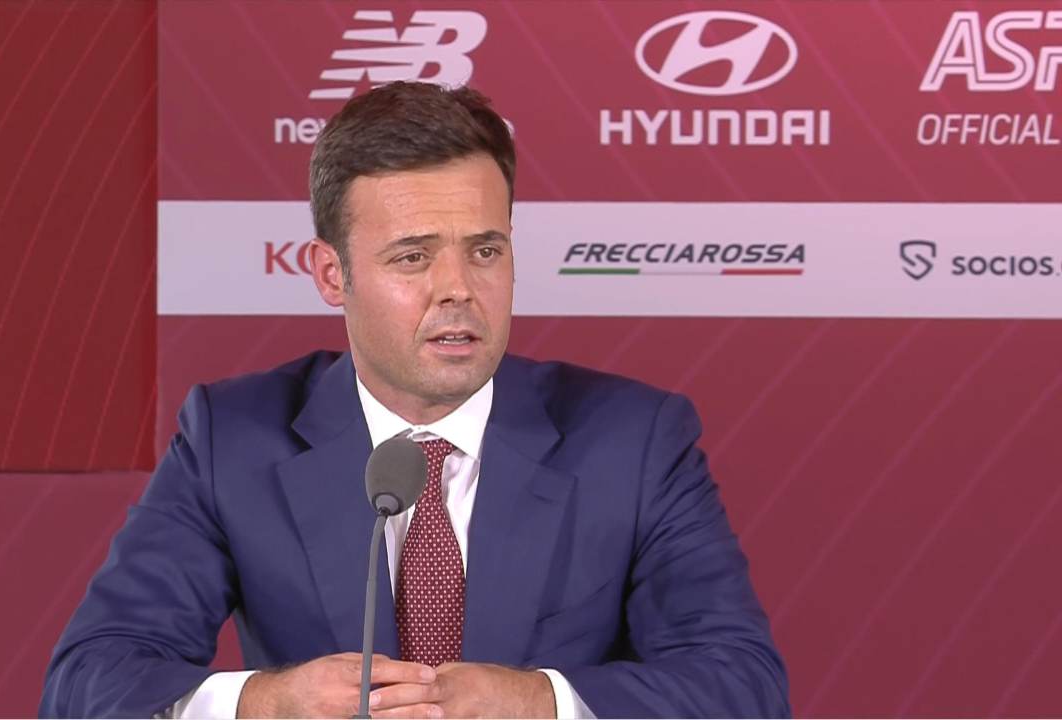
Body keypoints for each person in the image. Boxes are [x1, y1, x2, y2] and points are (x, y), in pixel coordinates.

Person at [40, 81, 790, 719]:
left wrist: (539, 701)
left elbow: (743, 686)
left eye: (485, 250)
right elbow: (87, 681)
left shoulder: (633, 439)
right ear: (331, 275)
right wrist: (264, 703)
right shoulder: (232, 438)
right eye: (413, 256)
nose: (458, 288)